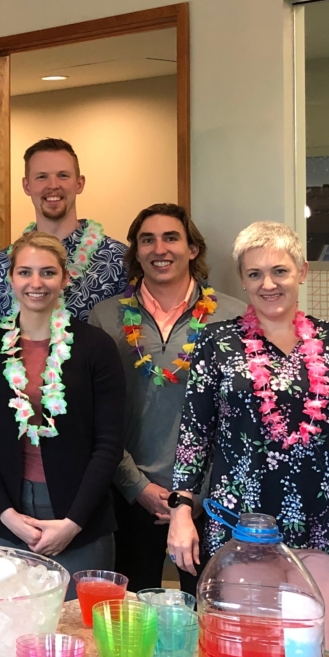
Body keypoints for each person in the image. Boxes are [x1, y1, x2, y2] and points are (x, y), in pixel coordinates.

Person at [167, 221, 329, 656]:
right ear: (242, 280)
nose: (268, 284)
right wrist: (182, 511)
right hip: (241, 533)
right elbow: (194, 435)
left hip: (328, 531)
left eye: (279, 270)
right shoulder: (216, 345)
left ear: (302, 271)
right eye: (255, 274)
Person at [88, 204, 245, 592]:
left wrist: (194, 495)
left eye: (171, 237)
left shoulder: (234, 316)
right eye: (148, 240)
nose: (160, 248)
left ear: (192, 249)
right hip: (130, 492)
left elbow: (238, 420)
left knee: (209, 614)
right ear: (136, 252)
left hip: (209, 498)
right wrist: (135, 486)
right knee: (129, 616)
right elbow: (96, 415)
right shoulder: (104, 318)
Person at [0, 229, 125, 595]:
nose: (36, 283)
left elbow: (109, 443)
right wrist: (6, 515)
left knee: (81, 634)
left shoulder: (96, 347)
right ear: (11, 278)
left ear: (65, 278)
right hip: (9, 516)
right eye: (25, 272)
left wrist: (73, 522)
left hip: (81, 519)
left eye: (48, 272)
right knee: (13, 633)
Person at [0, 138, 127, 327]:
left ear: (79, 183)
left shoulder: (118, 259)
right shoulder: (0, 267)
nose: (53, 185)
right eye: (42, 177)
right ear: (27, 186)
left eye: (63, 175)